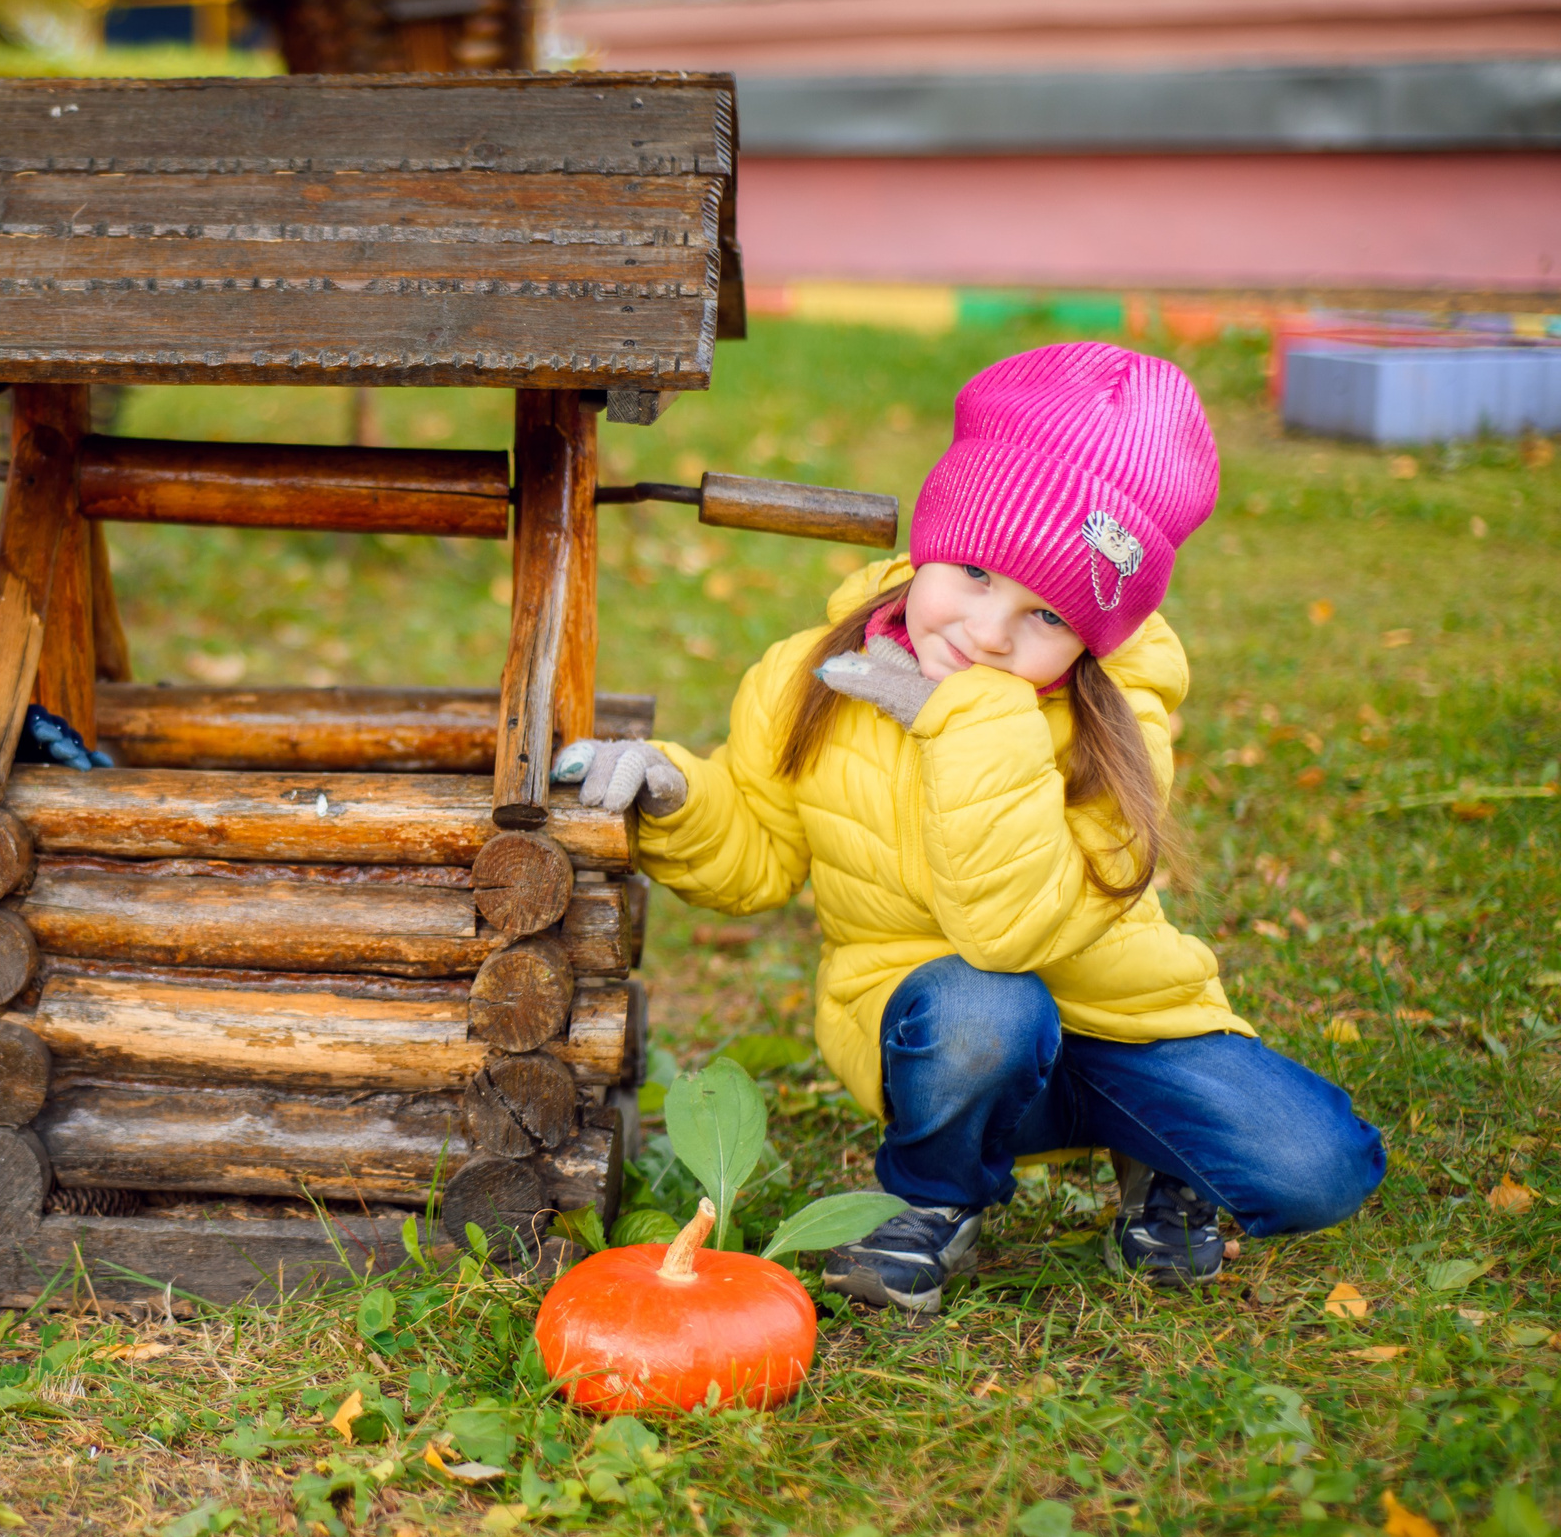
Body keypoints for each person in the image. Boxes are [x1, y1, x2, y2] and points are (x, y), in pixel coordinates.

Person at [567, 343, 1384, 1313]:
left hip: (1117, 1019)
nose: (992, 633)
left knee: (1316, 1168)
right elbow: (760, 854)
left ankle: (1155, 1151)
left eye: (1046, 612)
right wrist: (677, 794)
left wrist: (967, 715)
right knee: (988, 1008)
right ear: (927, 541)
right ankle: (933, 1196)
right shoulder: (808, 676)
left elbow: (1014, 925)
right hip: (949, 1025)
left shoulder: (1116, 716)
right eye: (972, 570)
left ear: (1097, 636)